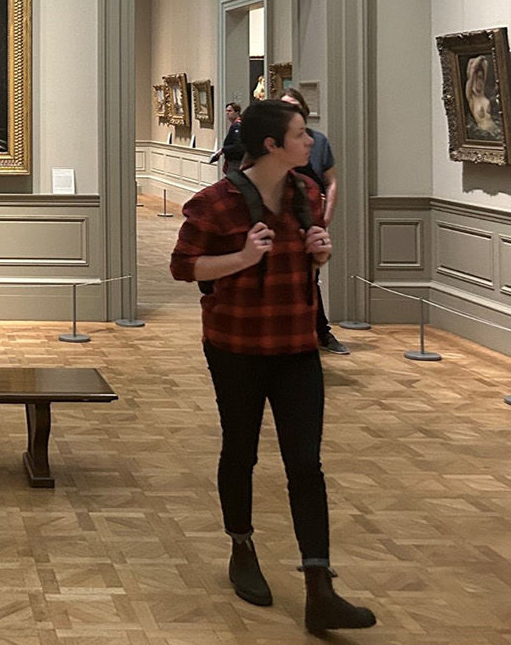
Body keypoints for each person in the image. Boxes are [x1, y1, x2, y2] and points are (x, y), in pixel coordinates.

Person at [169, 100, 376, 635]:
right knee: (240, 450)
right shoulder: (215, 204)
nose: (310, 142)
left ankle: (319, 586)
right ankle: (241, 546)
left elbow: (310, 262)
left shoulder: (307, 194)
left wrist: (322, 253)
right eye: (301, 134)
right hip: (235, 346)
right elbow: (182, 267)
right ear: (271, 145)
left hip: (297, 348)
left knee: (305, 464)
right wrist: (241, 258)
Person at [279, 87, 347, 356]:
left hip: (310, 220)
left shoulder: (318, 141)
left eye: (295, 106)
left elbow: (330, 181)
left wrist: (327, 215)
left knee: (310, 277)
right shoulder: (272, 142)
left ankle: (320, 332)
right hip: (282, 221)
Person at [464, 55, 497, 135]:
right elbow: (472, 72)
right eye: (478, 78)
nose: (481, 82)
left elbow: (485, 64)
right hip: (485, 133)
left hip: (495, 129)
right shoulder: (471, 97)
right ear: (474, 79)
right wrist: (479, 58)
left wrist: (482, 60)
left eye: (481, 78)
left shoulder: (482, 93)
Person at [209, 102, 244, 172]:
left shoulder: (237, 125)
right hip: (233, 161)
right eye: (226, 111)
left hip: (236, 161)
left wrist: (223, 150)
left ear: (237, 112)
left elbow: (238, 145)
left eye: (230, 111)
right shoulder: (236, 124)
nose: (227, 113)